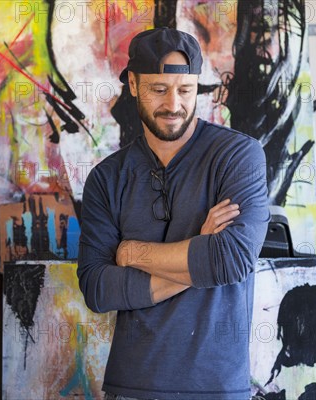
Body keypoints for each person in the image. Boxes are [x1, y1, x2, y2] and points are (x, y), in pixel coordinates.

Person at [77, 27, 270, 400]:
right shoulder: (107, 178)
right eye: (158, 89)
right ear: (133, 84)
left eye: (185, 90)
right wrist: (198, 253)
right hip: (130, 386)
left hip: (216, 387)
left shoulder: (238, 157)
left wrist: (132, 254)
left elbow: (231, 260)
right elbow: (98, 288)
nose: (173, 105)